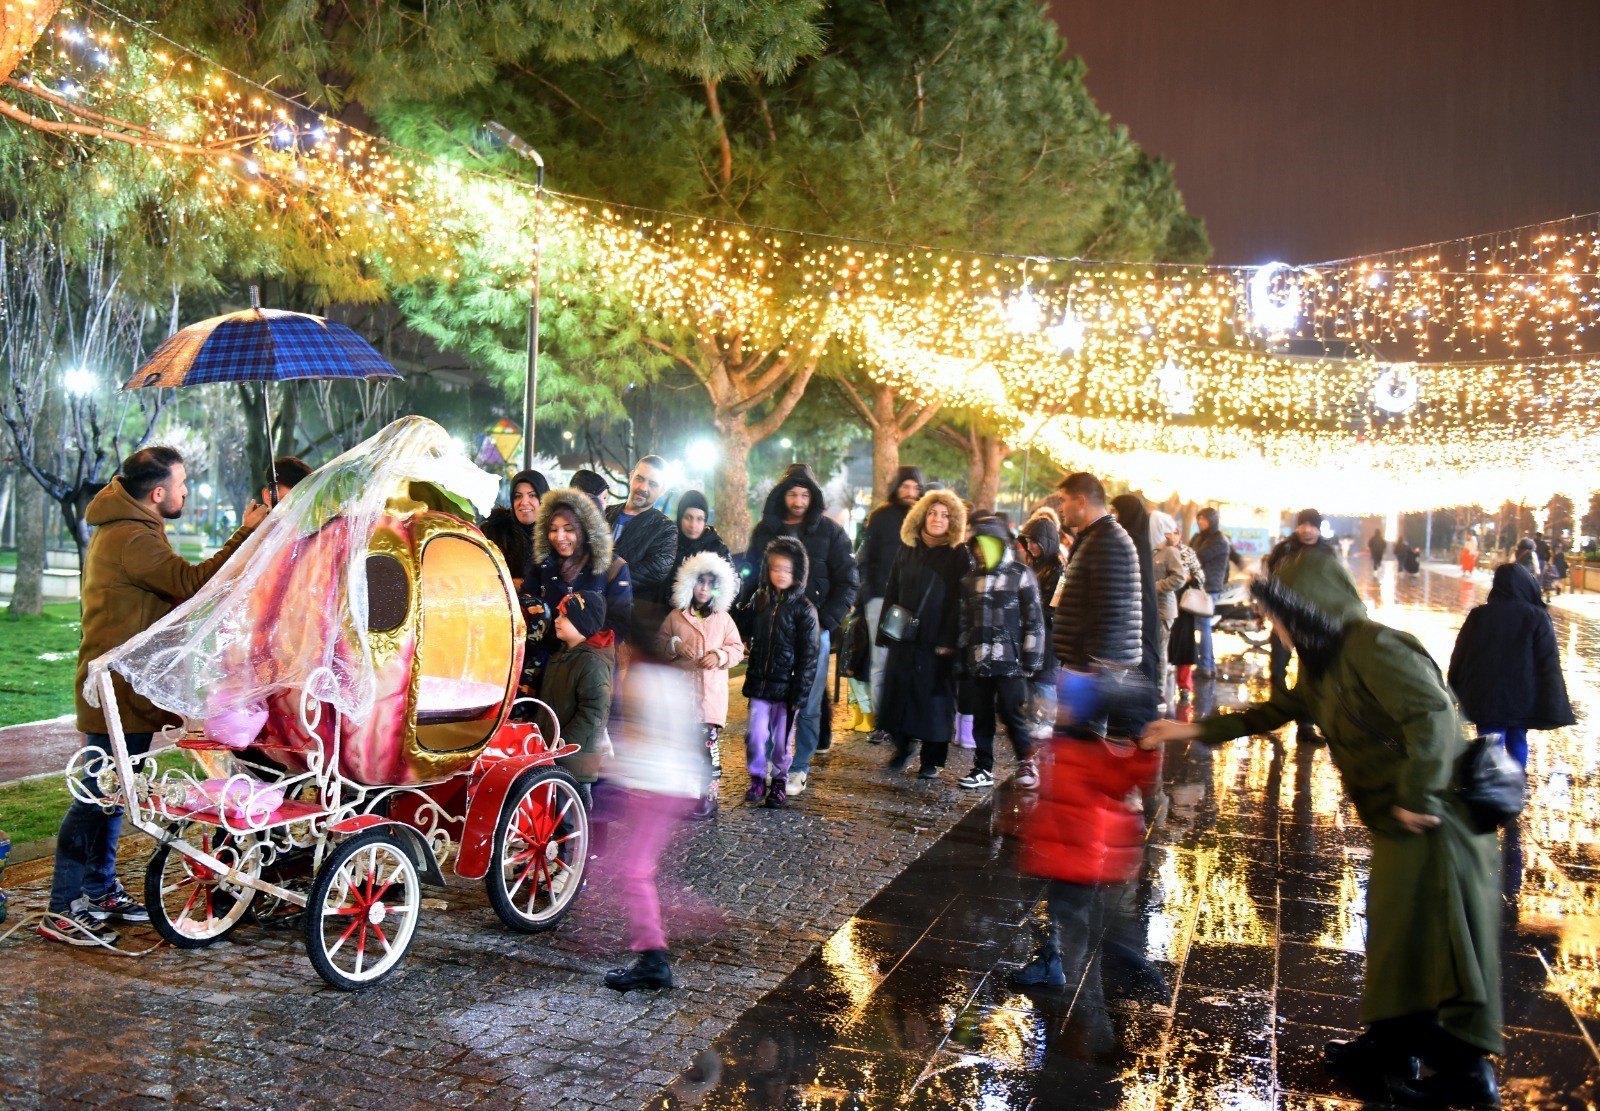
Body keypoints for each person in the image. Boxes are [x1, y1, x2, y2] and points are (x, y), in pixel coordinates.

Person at [1146, 557, 1504, 1108]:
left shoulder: (1374, 646)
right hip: (1399, 822)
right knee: (1394, 941)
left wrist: (1415, 796)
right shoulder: (1320, 666)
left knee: (1432, 944)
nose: (1275, 628)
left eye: (1279, 617)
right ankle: (1387, 1048)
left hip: (1435, 821)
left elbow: (1433, 713)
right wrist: (1190, 726)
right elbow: (1273, 712)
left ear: (1307, 611)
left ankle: (1465, 1074)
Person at [41, 446, 268, 946]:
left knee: (114, 796)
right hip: (114, 692)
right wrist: (247, 532)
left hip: (125, 690)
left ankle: (98, 891)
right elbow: (189, 583)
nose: (187, 491)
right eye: (182, 484)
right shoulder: (129, 537)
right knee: (95, 798)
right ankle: (62, 908)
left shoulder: (135, 529)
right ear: (158, 493)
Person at [743, 463, 858, 794]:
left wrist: (825, 621)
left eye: (804, 494)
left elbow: (849, 581)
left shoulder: (832, 533)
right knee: (765, 698)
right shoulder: (764, 531)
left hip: (812, 632)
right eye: (792, 493)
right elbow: (749, 576)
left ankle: (799, 766)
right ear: (782, 495)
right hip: (769, 630)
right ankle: (764, 761)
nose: (798, 500)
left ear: (813, 496)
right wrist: (749, 622)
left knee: (806, 700)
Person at [602, 660, 708, 993]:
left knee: (634, 871)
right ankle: (654, 951)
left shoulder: (645, 678)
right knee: (636, 869)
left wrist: (615, 765)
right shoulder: (667, 676)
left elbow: (645, 736)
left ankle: (653, 959)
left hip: (657, 786)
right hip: (663, 785)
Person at [876, 490, 970, 779]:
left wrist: (949, 639)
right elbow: (893, 587)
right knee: (899, 694)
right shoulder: (908, 547)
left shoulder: (958, 554)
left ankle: (932, 759)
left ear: (953, 521)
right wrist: (886, 630)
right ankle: (902, 748)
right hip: (905, 637)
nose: (938, 519)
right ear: (922, 515)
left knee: (934, 702)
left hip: (936, 641)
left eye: (945, 514)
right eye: (932, 512)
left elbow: (961, 599)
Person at [1448, 562, 1574, 768]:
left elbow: (1460, 654)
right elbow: (1548, 662)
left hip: (1484, 695)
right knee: (1517, 739)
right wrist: (1551, 698)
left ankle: (1491, 785)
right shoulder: (1537, 617)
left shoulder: (1479, 616)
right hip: (1522, 696)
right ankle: (1516, 783)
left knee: (1490, 742)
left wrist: (1452, 687)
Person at [955, 513, 1046, 790]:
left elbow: (1034, 620)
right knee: (981, 715)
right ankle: (983, 767)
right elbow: (963, 621)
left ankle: (1027, 762)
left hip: (1011, 663)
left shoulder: (1020, 575)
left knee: (1011, 712)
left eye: (985, 543)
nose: (980, 550)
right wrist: (962, 657)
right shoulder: (970, 580)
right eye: (976, 545)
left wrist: (1031, 659)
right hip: (979, 662)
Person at [735, 538, 820, 809]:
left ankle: (780, 781)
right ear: (767, 570)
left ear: (797, 572)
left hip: (787, 690)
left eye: (787, 569)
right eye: (775, 568)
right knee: (756, 736)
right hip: (760, 685)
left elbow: (809, 655)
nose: (781, 574)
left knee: (782, 742)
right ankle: (757, 777)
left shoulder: (804, 609)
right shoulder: (759, 600)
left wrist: (800, 692)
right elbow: (742, 625)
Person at [660, 552, 744, 819]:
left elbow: (737, 649)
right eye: (700, 582)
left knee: (707, 752)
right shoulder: (676, 617)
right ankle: (684, 794)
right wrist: (673, 645)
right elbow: (660, 645)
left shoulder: (723, 619)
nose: (704, 588)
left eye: (710, 583)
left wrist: (720, 655)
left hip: (709, 701)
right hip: (682, 698)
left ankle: (708, 798)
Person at [526, 488, 632, 694]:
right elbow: (529, 611)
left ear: (586, 529)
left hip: (591, 673)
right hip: (547, 671)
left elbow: (619, 623)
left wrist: (578, 646)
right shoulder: (542, 565)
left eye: (569, 529)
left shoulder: (613, 568)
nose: (560, 537)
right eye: (553, 529)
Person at [1054, 473, 1142, 695]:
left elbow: (1111, 609)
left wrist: (1094, 668)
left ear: (1081, 501)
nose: (1061, 508)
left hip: (1091, 667)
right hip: (1084, 663)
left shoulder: (1107, 540)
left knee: (1083, 730)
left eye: (1063, 500)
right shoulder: (1094, 537)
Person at [852, 467, 924, 734]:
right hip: (881, 598)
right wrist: (869, 594)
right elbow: (866, 558)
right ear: (896, 487)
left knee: (911, 660)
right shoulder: (881, 516)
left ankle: (907, 718)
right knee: (881, 660)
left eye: (915, 488)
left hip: (914, 600)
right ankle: (883, 722)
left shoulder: (924, 517)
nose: (910, 493)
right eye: (905, 486)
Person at [540, 591, 616, 809]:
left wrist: (563, 742)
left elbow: (594, 712)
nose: (556, 620)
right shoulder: (561, 657)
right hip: (555, 753)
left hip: (575, 758)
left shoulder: (592, 663)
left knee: (570, 817)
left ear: (582, 622)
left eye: (564, 616)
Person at [1264, 509, 1336, 739]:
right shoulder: (1284, 550)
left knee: (1310, 675)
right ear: (1297, 527)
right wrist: (1272, 617)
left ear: (1318, 528)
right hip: (1284, 620)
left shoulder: (1327, 552)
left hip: (1313, 622)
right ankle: (1275, 714)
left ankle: (1306, 725)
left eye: (1312, 525)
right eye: (1303, 524)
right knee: (1278, 668)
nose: (1307, 529)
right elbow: (1269, 582)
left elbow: (1334, 586)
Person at [606, 456, 679, 641]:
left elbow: (655, 571)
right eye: (640, 478)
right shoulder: (604, 513)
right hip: (588, 617)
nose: (643, 488)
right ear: (631, 476)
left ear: (662, 489)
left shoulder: (665, 529)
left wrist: (600, 579)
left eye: (653, 484)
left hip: (626, 626)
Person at [1018, 513, 1063, 745]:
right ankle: (1032, 718)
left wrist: (1033, 610)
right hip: (1032, 631)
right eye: (1028, 541)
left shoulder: (1057, 570)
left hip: (1048, 634)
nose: (1030, 546)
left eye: (1034, 541)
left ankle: (1046, 721)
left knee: (1045, 680)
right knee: (1032, 679)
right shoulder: (1032, 566)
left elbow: (1055, 608)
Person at [1110, 494, 1161, 685]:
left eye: (1116, 511)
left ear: (1127, 513)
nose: (1112, 516)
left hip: (1138, 620)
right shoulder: (1136, 540)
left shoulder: (1131, 542)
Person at [1190, 507, 1244, 677]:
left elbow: (1198, 557)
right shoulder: (1199, 537)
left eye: (1204, 519)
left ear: (1212, 521)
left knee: (1204, 625)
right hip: (1198, 586)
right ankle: (1208, 664)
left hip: (1210, 587)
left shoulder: (1219, 540)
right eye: (1199, 519)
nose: (1200, 522)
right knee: (1200, 625)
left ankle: (1205, 666)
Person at [482, 468, 550, 586]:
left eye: (532, 495)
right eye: (518, 496)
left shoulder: (556, 535)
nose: (524, 502)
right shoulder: (495, 533)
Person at [1149, 512, 1191, 698]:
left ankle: (1159, 692)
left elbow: (1179, 577)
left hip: (1164, 609)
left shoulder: (1171, 552)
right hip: (1152, 608)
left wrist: (1155, 587)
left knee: (1160, 651)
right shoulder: (1152, 550)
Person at [672, 489, 730, 578]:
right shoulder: (667, 543)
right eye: (688, 517)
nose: (693, 525)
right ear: (680, 518)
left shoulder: (716, 548)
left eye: (699, 519)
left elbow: (733, 584)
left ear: (705, 521)